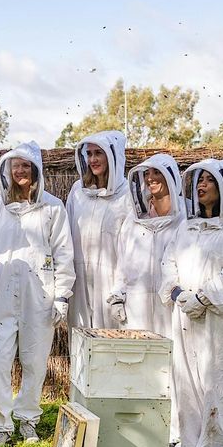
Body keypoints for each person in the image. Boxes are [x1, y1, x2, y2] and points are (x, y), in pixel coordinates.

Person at [0, 141, 74, 446]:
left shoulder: (53, 207)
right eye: (14, 166)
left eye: (26, 166)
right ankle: (0, 426)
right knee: (0, 360)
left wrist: (62, 295)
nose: (20, 171)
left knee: (34, 361)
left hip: (39, 293)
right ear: (7, 170)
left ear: (36, 171)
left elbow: (64, 252)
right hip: (0, 294)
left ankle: (28, 419)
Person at [160, 159, 223, 447]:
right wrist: (179, 295)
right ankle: (188, 443)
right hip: (184, 314)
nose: (201, 187)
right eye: (198, 181)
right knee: (185, 378)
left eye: (208, 181)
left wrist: (201, 298)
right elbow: (168, 264)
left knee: (217, 379)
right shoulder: (185, 228)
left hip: (218, 318)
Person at [108, 153, 185, 336]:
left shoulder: (187, 219)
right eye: (147, 173)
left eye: (157, 173)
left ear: (171, 177)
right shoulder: (133, 221)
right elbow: (122, 266)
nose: (150, 178)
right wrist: (118, 297)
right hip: (136, 308)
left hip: (172, 308)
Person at [66, 130, 131, 329]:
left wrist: (120, 289)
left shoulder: (127, 194)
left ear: (113, 156)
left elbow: (132, 246)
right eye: (89, 154)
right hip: (79, 280)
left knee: (110, 345)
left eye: (98, 153)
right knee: (79, 342)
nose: (93, 159)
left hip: (111, 282)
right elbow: (66, 237)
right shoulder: (78, 191)